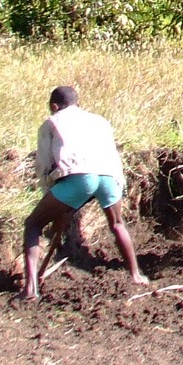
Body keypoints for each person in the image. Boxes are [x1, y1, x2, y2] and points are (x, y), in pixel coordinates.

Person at [22, 86, 148, 300]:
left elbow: (44, 167)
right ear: (77, 104)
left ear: (54, 106)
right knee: (117, 224)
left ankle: (29, 289)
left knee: (33, 224)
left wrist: (52, 199)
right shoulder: (100, 121)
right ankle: (136, 275)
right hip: (109, 177)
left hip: (78, 178)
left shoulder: (51, 122)